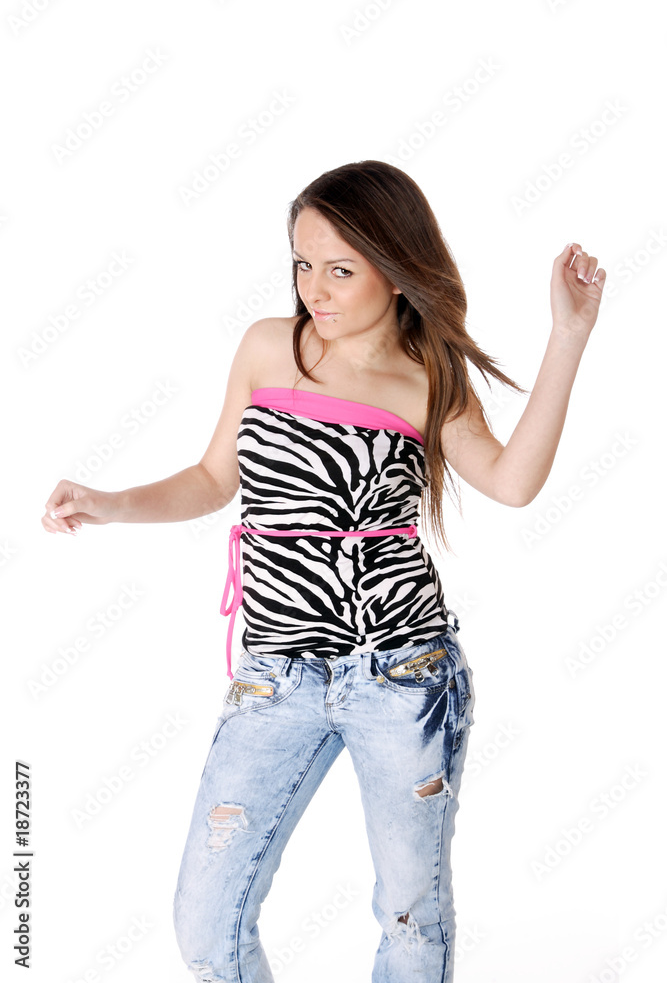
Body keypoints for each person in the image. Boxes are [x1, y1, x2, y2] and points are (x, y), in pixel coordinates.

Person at [42, 160, 605, 982]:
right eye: (303, 264)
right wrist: (110, 502)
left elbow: (513, 482)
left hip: (402, 674)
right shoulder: (269, 347)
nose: (315, 289)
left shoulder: (427, 380)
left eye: (340, 270)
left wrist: (568, 334)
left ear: (397, 269)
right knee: (206, 927)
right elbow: (213, 479)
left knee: (409, 919)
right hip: (276, 675)